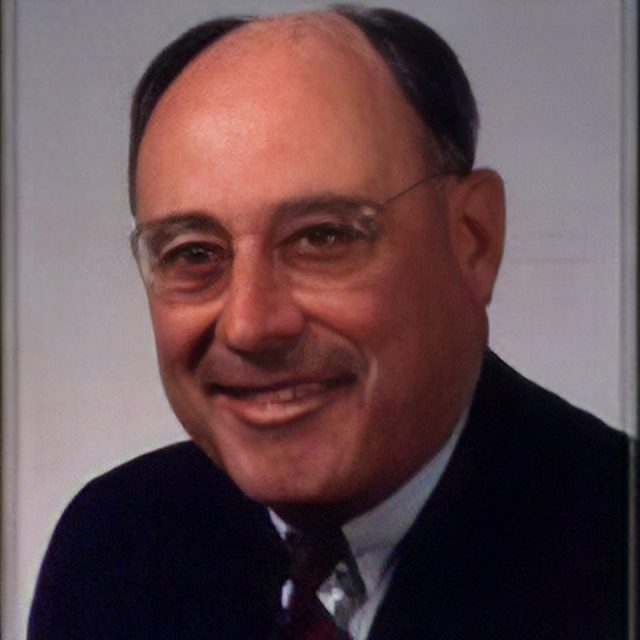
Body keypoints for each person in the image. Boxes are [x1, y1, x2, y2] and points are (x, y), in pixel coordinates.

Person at [29, 6, 631, 639]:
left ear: (471, 240)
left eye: (322, 238)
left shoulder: (618, 553)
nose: (250, 325)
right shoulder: (113, 546)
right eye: (194, 254)